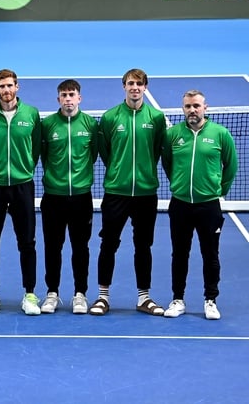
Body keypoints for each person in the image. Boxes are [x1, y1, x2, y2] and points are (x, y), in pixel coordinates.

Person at [90, 68, 167, 316]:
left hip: (146, 194)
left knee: (143, 246)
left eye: (139, 83)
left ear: (145, 87)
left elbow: (158, 149)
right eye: (131, 83)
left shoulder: (156, 118)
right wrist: (119, 171)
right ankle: (103, 297)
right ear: (124, 86)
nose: (135, 87)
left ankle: (144, 298)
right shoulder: (110, 117)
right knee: (108, 244)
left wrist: (144, 173)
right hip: (116, 192)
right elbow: (105, 151)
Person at [161, 90, 237, 320]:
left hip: (209, 206)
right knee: (179, 254)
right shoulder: (173, 135)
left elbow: (231, 165)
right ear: (183, 109)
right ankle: (178, 299)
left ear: (205, 107)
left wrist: (218, 190)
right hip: (180, 205)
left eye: (196, 106)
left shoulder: (220, 134)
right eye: (188, 106)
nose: (192, 110)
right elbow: (167, 162)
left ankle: (210, 300)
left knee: (210, 254)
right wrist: (178, 184)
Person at [0, 69, 42, 316]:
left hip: (22, 186)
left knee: (27, 242)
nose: (6, 90)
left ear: (17, 87)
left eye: (10, 85)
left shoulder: (31, 114)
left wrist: (23, 168)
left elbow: (35, 148)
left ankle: (30, 294)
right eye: (2, 86)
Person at [38, 80, 98, 314]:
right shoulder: (47, 125)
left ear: (79, 98)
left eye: (72, 94)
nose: (68, 99)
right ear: (58, 99)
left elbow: (93, 155)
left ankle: (80, 294)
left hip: (81, 198)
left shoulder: (90, 124)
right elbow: (43, 155)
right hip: (53, 197)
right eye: (64, 95)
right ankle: (52, 293)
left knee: (80, 247)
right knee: (52, 247)